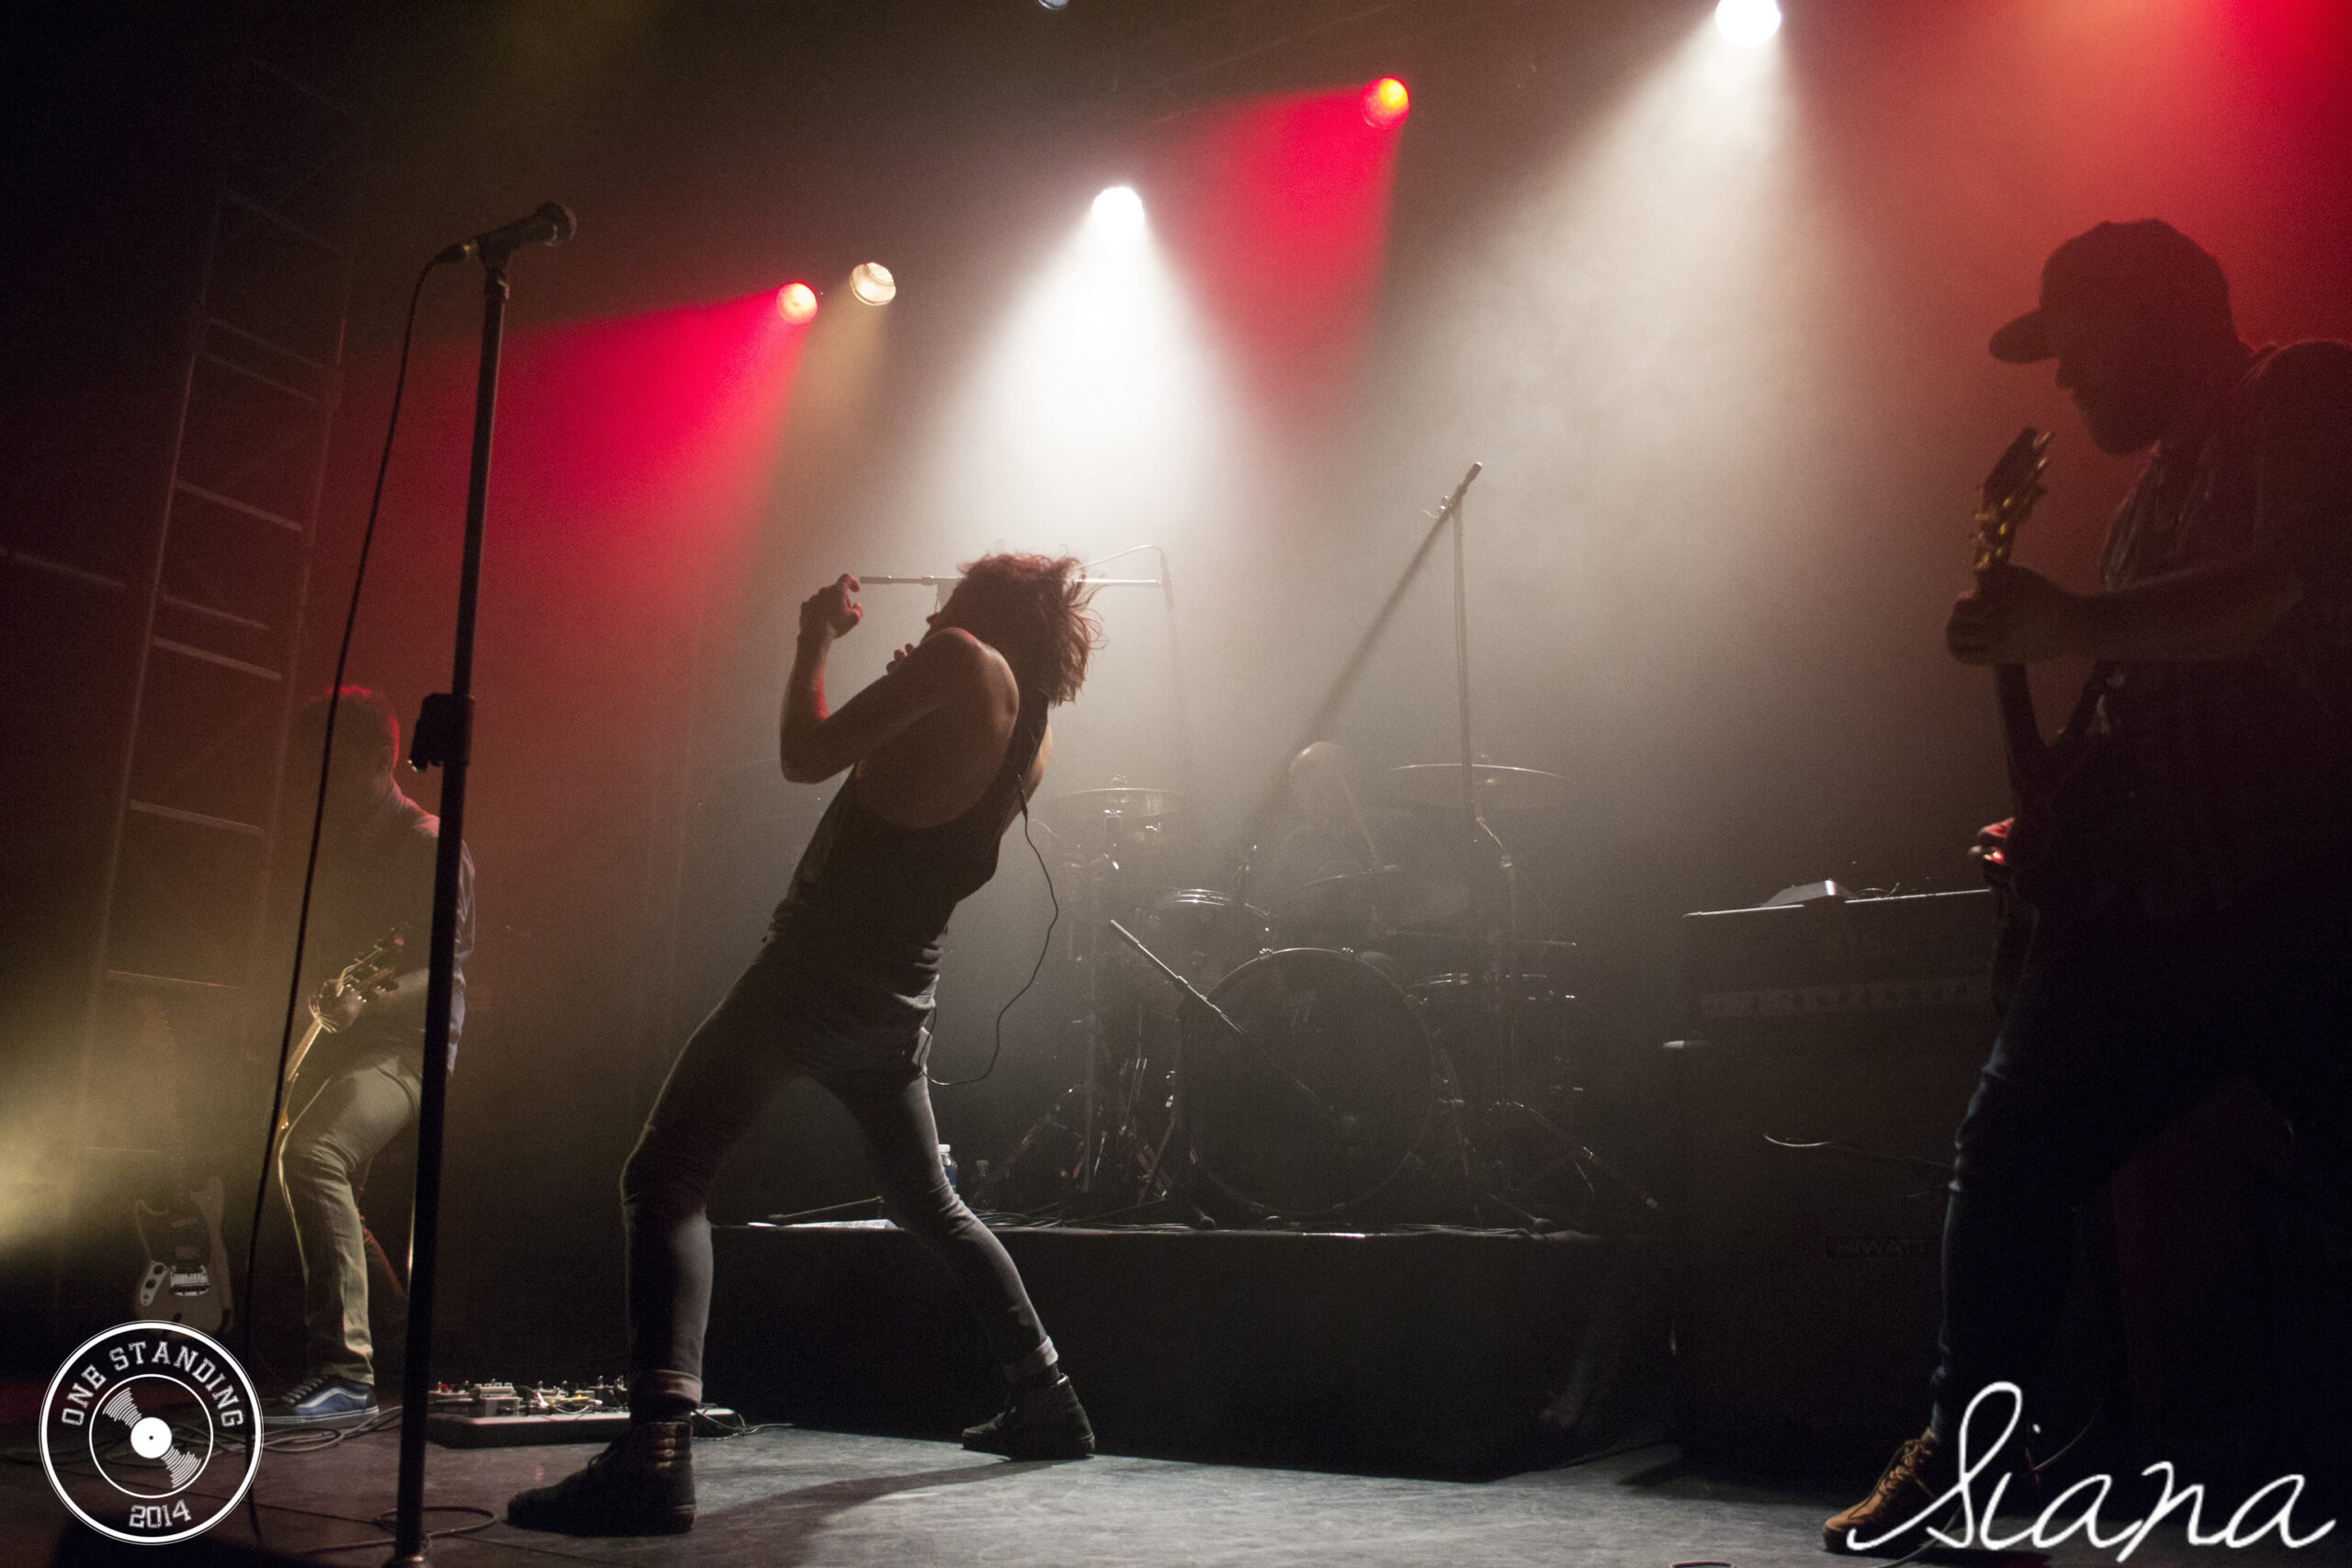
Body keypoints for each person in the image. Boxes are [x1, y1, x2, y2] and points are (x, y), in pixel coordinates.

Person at [1826, 220, 2352, 1551]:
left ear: (2160, 309)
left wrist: (2071, 623)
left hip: (2308, 887)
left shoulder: (2304, 392)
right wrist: (2054, 811)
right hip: (2166, 906)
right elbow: (2143, 701)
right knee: (2009, 1147)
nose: (2065, 380)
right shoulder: (2137, 503)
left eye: (2080, 344)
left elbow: (2280, 593)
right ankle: (1965, 1459)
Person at [509, 554, 1104, 1538]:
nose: (937, 609)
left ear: (974, 606)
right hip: (896, 1002)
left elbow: (803, 754)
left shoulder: (958, 657)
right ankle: (1049, 1400)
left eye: (951, 599)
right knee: (932, 1207)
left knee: (665, 1176)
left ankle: (655, 1459)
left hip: (816, 980)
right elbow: (915, 802)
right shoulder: (1033, 731)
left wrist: (813, 645)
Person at [262, 686, 475, 1429]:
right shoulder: (345, 842)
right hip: (355, 1040)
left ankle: (345, 1371)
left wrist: (367, 1004)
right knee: (324, 1179)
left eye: (333, 765)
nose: (317, 783)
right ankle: (397, 1334)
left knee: (312, 1155)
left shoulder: (425, 842)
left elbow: (446, 967)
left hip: (408, 1049)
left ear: (384, 759)